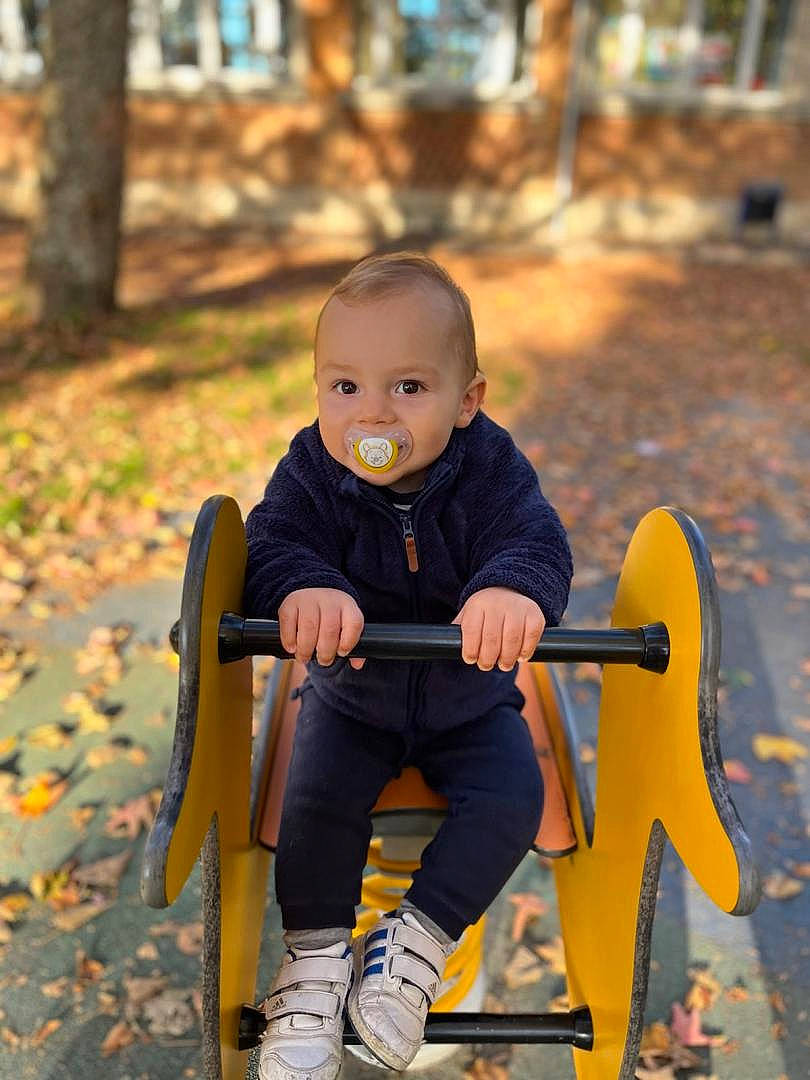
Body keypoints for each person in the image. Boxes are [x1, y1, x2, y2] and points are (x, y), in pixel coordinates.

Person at [244, 251, 573, 1080]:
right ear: (319, 389)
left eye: (409, 389)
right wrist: (307, 586)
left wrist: (509, 590)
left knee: (514, 797)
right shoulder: (313, 470)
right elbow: (274, 542)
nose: (372, 416)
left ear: (467, 402)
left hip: (469, 700)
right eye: (344, 388)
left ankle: (415, 941)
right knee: (313, 802)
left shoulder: (490, 467)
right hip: (354, 697)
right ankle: (315, 965)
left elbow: (536, 542)